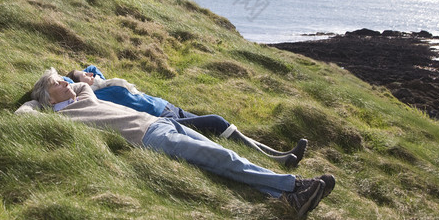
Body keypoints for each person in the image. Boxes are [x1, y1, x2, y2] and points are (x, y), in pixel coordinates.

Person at [16, 68, 335, 218]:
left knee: (224, 152)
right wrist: (35, 101)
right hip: (151, 138)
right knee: (221, 160)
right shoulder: (59, 117)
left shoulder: (83, 91)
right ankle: (294, 187)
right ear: (48, 97)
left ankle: (287, 195)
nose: (67, 83)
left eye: (64, 79)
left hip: (162, 123)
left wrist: (67, 78)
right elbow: (22, 115)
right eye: (58, 82)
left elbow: (92, 74)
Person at [66, 65, 306, 168]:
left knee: (224, 130)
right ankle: (275, 161)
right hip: (163, 121)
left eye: (87, 74)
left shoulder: (103, 81)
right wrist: (71, 77)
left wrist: (84, 72)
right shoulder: (97, 97)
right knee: (215, 122)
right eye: (82, 77)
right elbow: (66, 83)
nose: (88, 76)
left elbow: (93, 68)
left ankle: (278, 155)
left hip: (171, 108)